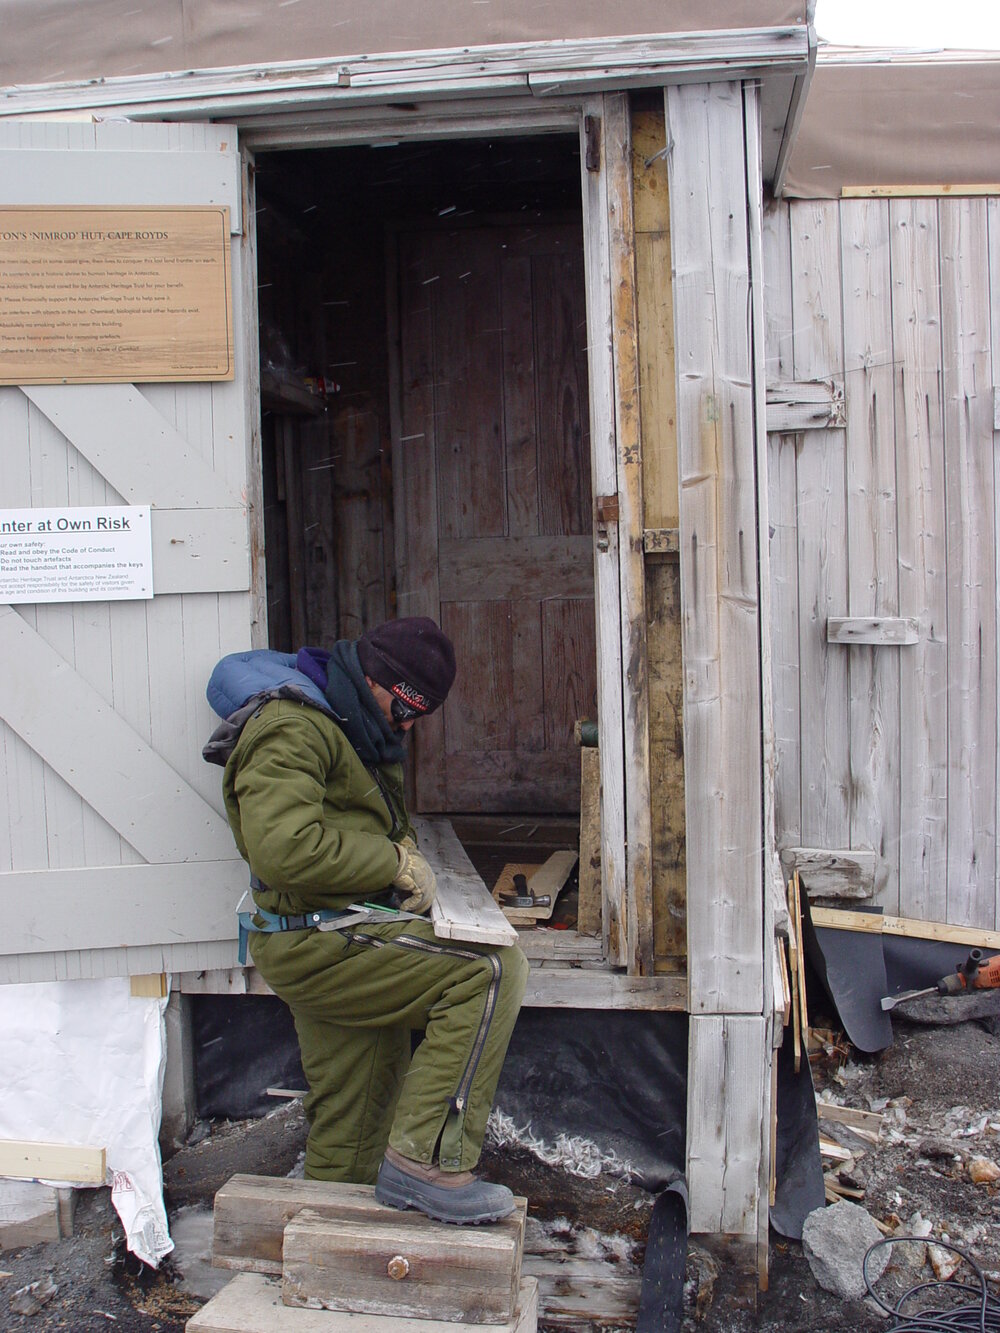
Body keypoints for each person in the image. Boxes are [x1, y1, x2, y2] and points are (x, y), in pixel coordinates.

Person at [203, 617, 528, 1225]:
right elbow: (284, 849)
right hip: (318, 937)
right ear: (374, 677)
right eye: (404, 706)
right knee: (488, 971)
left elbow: (350, 815)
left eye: (419, 716)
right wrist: (393, 863)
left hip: (330, 927)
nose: (406, 724)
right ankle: (427, 1167)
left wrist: (400, 858)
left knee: (358, 1113)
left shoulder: (346, 720)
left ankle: (331, 1241)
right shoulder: (293, 727)